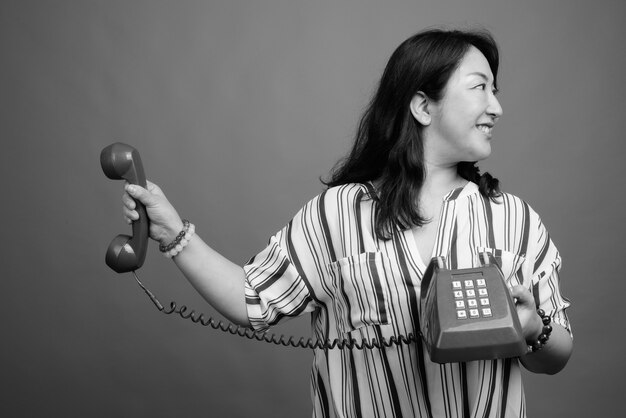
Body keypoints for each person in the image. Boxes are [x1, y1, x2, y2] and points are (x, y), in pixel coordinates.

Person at [122, 28, 573, 417]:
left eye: (497, 91)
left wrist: (535, 330)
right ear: (422, 106)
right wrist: (172, 233)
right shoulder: (336, 212)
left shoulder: (516, 220)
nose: (496, 107)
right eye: (480, 88)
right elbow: (251, 299)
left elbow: (557, 356)